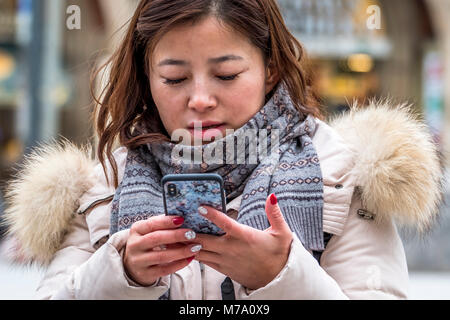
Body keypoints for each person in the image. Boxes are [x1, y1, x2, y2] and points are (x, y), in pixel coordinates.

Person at [2, 0, 443, 300]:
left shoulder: (344, 174)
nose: (199, 99)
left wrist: (281, 277)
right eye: (174, 79)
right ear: (146, 79)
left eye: (227, 75)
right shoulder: (103, 182)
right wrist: (121, 274)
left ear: (270, 70)